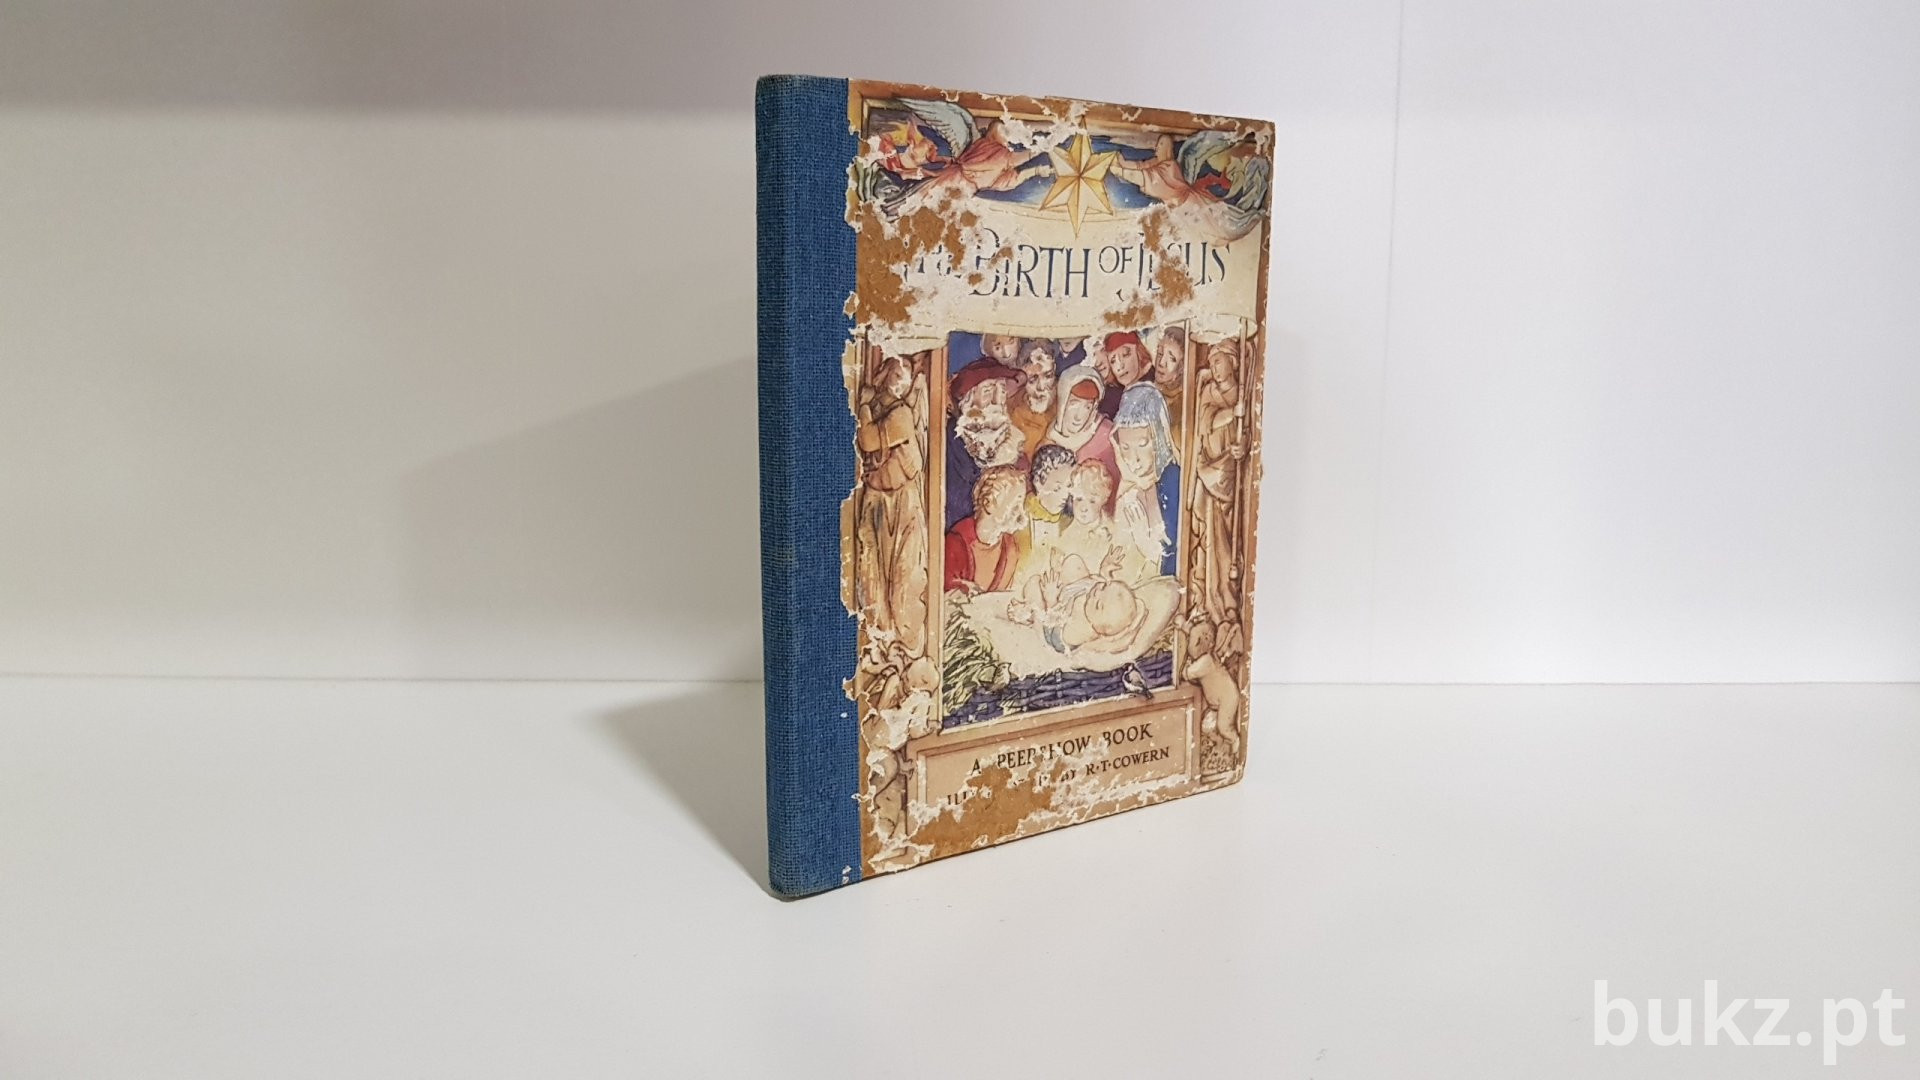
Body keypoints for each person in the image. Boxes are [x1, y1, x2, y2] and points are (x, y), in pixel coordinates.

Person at [854, 352, 930, 654]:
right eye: (898, 375)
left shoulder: (901, 413)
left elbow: (869, 441)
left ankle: (906, 646)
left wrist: (862, 406)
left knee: (903, 576)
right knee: (872, 572)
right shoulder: (878, 408)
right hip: (877, 498)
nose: (902, 383)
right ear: (885, 374)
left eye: (907, 379)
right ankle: (881, 643)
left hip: (903, 502)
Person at [945, 358, 1025, 528]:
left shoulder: (1014, 446)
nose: (996, 400)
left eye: (1001, 390)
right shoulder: (950, 445)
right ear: (967, 400)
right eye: (988, 391)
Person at [1113, 383, 1180, 578]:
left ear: (1159, 439)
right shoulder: (1128, 486)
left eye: (1142, 445)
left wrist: (1147, 546)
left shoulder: (1172, 481)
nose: (1133, 458)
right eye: (1125, 447)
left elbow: (1178, 565)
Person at [944, 465, 1029, 595]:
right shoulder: (957, 542)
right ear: (988, 503)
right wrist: (961, 588)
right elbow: (943, 589)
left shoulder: (1010, 548)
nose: (1021, 513)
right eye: (1015, 506)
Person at [1040, 365, 1119, 503]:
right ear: (1063, 401)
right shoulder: (1050, 439)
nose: (1078, 416)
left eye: (1087, 407)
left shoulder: (1107, 436)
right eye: (1073, 404)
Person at [1010, 338, 1059, 457]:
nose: (1041, 387)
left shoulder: (1067, 401)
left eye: (1048, 376)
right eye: (1032, 379)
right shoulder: (1012, 409)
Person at [1097, 330, 1153, 418]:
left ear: (1139, 353)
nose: (1120, 366)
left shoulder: (1155, 383)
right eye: (1113, 361)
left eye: (1125, 354)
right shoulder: (1112, 395)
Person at [1152, 325, 1187, 443]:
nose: (1161, 363)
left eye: (1172, 359)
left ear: (1181, 368)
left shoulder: (1182, 404)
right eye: (1160, 353)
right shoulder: (1147, 391)